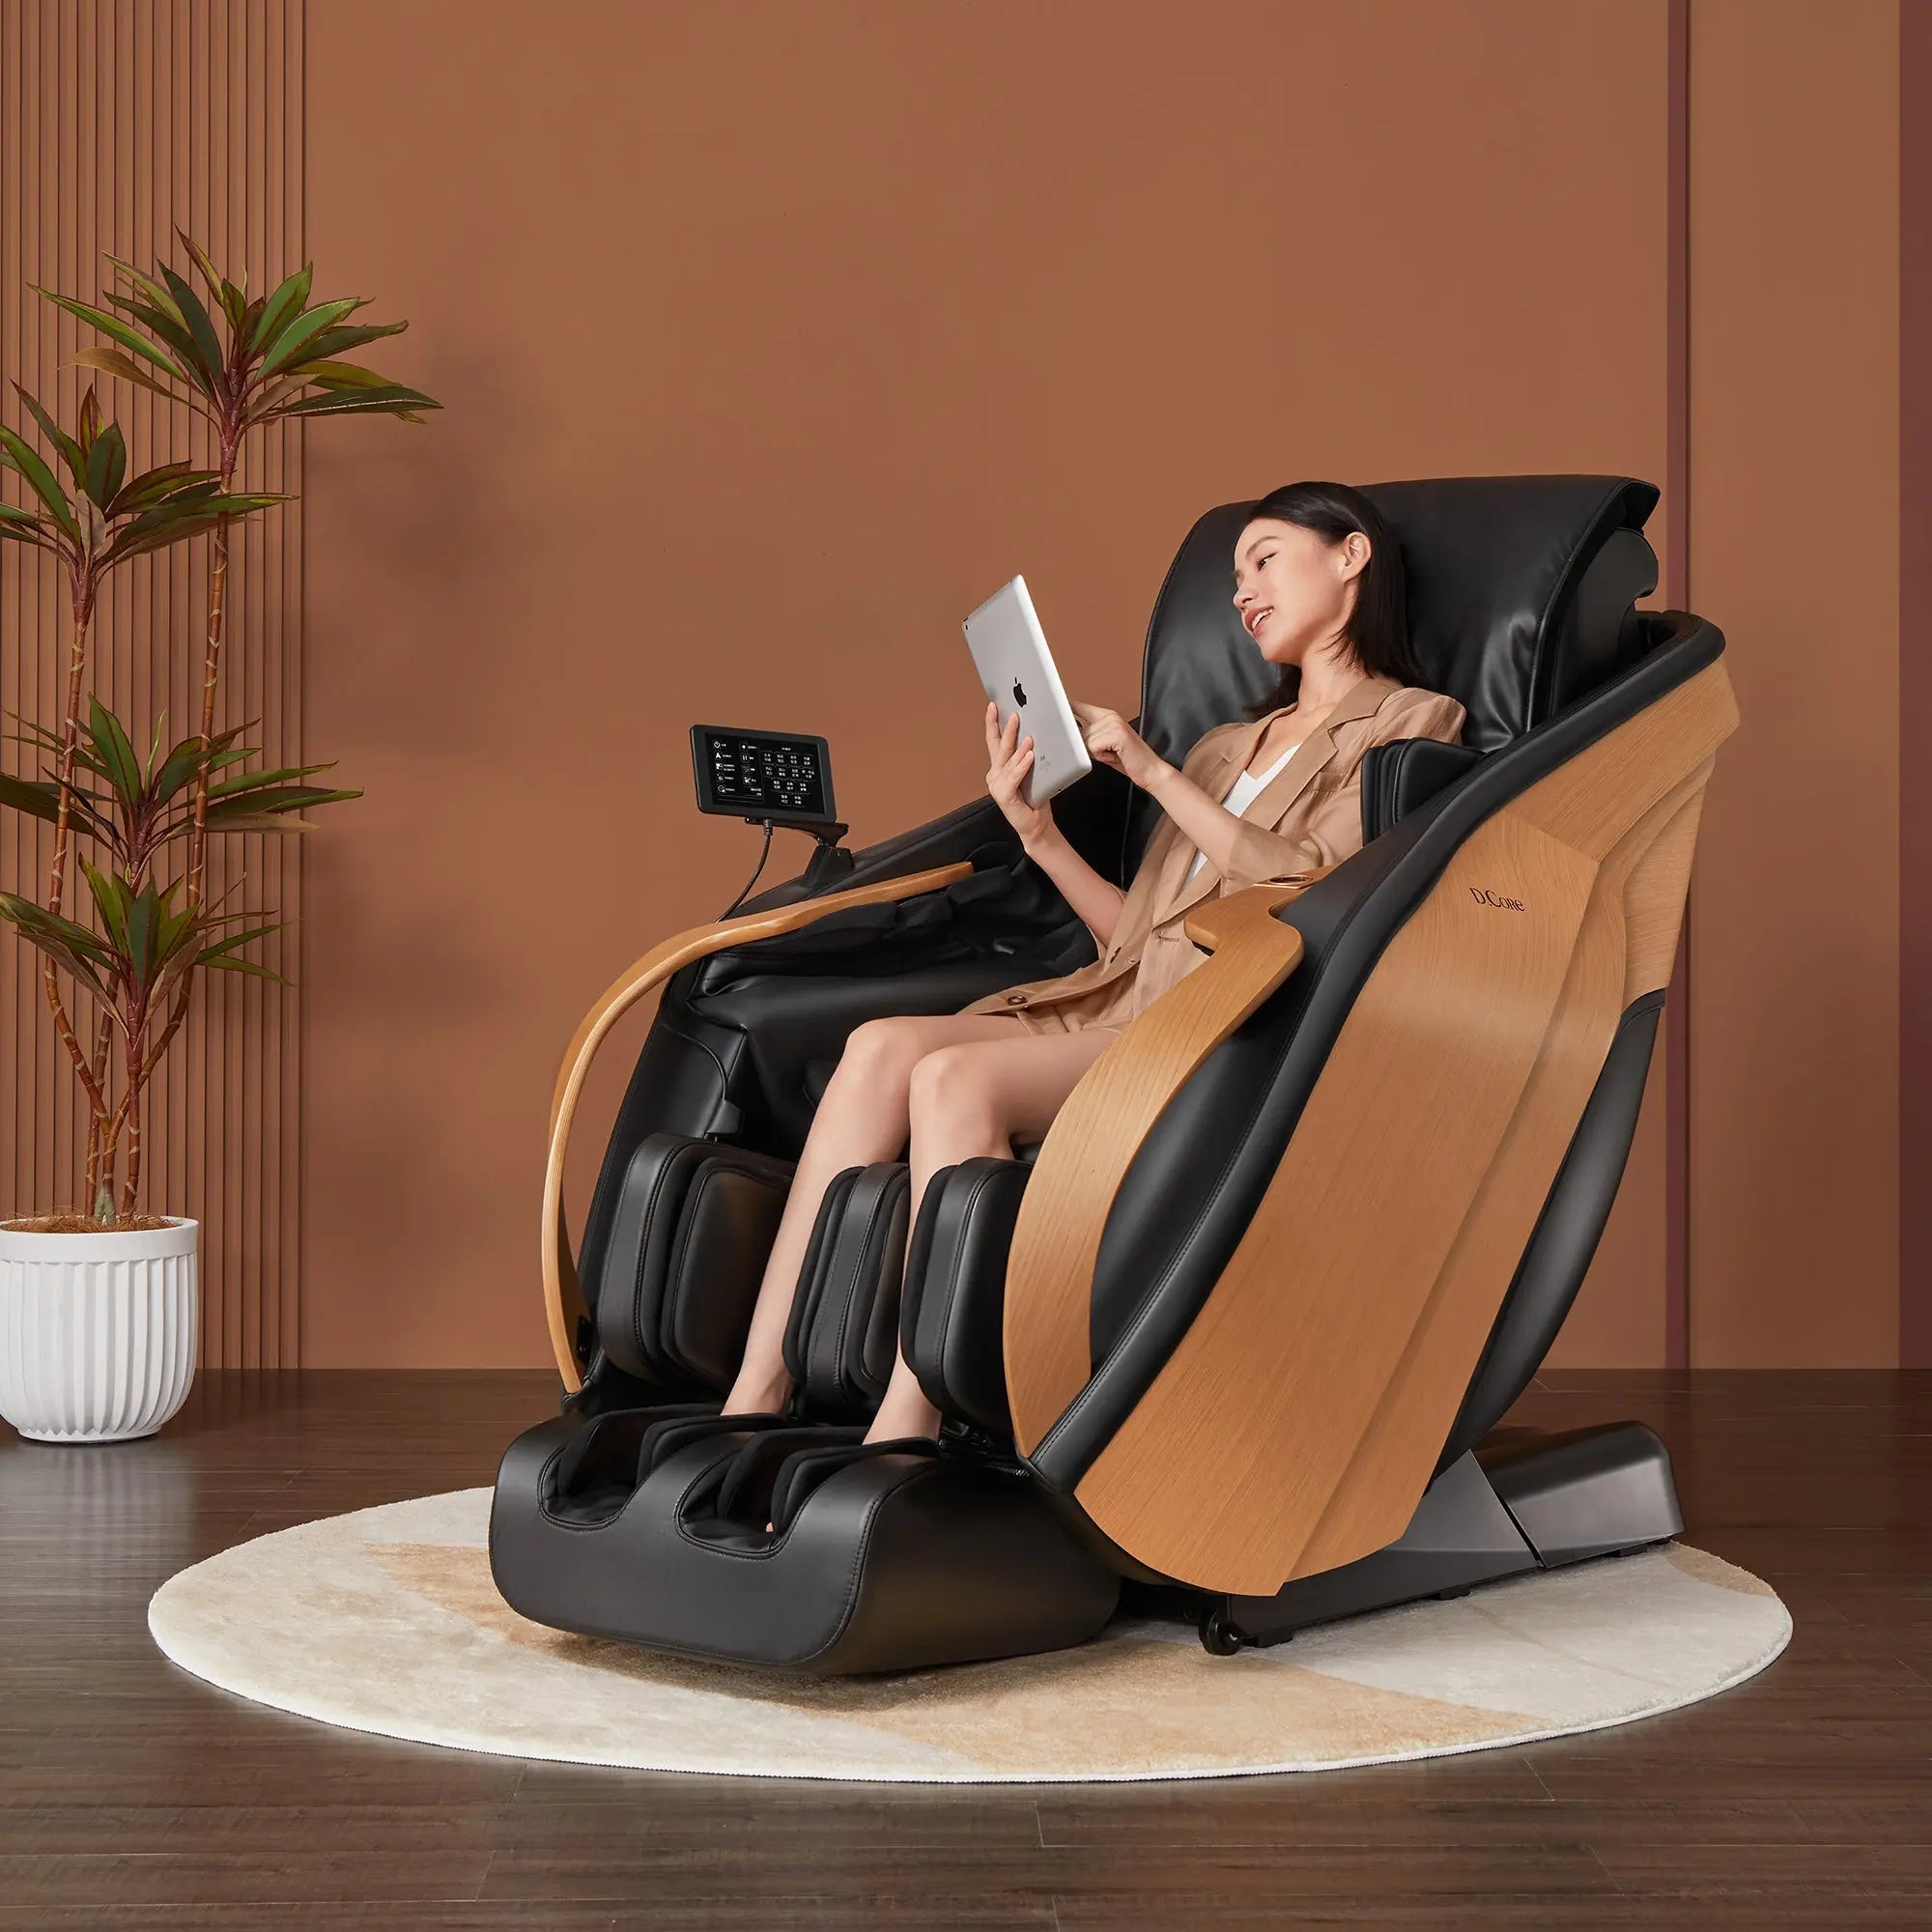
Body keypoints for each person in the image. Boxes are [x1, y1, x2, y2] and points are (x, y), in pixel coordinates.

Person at [719, 480, 1467, 1447]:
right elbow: (1139, 937)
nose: (1241, 592)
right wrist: (1038, 837)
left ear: (1348, 555)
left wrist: (1149, 771)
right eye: (1233, 577)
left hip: (1212, 1028)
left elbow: (1309, 886)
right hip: (1115, 1000)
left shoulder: (1411, 723)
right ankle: (753, 1389)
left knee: (951, 1076)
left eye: (1263, 558)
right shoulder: (1221, 745)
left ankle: (911, 1421)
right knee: (876, 1047)